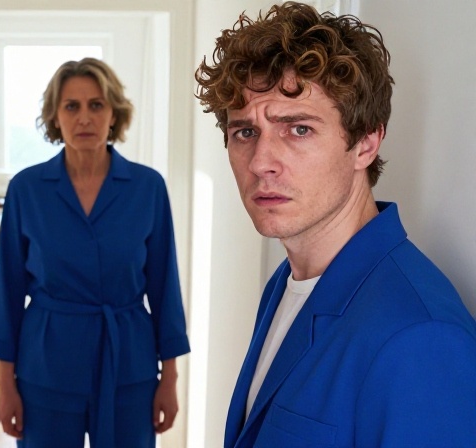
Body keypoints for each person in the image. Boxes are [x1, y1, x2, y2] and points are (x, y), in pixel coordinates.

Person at [195, 2, 476, 447]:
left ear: (366, 143)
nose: (261, 163)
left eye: (298, 129)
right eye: (245, 132)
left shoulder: (422, 337)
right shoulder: (286, 282)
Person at [0, 58, 190, 447]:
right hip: (46, 365)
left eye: (96, 105)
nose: (84, 118)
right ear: (55, 116)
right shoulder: (27, 190)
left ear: (114, 113)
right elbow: (7, 292)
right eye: (71, 106)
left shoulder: (147, 188)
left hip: (129, 363)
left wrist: (170, 377)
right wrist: (5, 383)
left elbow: (165, 288)